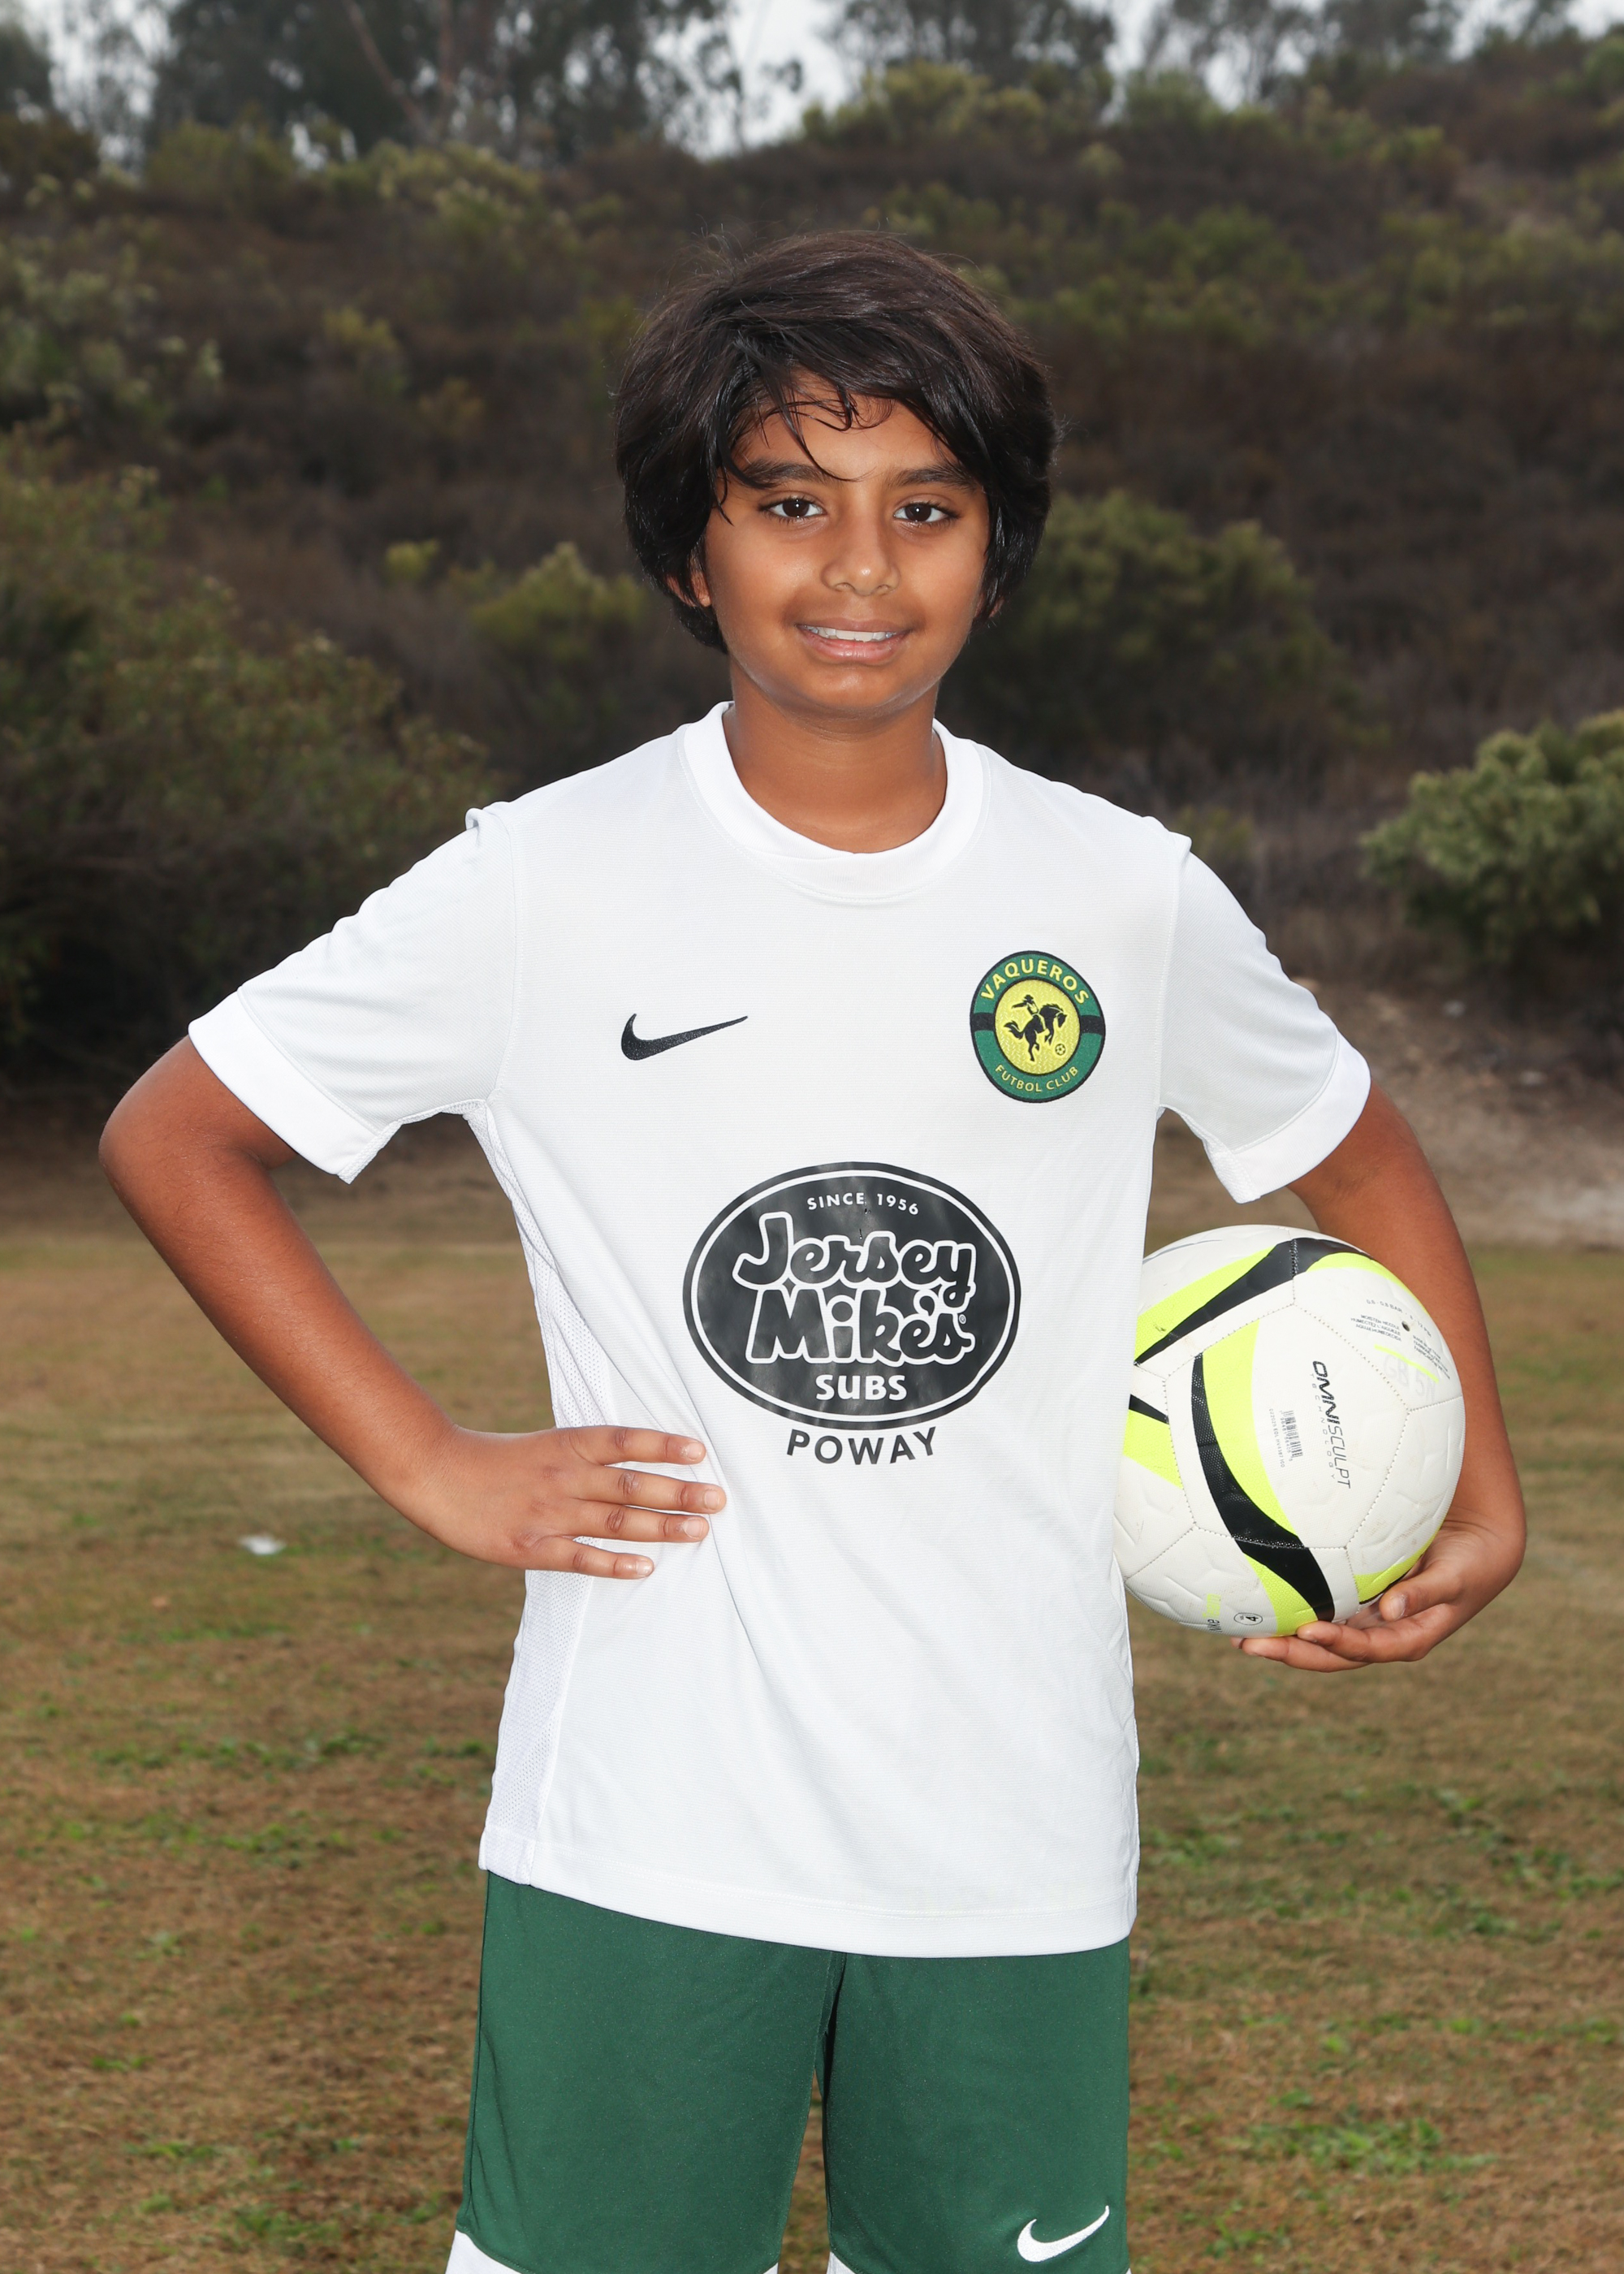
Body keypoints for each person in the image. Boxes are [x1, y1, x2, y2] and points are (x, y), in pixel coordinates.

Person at [101, 233, 1525, 2274]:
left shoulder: (1120, 896)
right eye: (790, 502)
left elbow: (1354, 1148)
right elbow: (180, 1131)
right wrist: (432, 1463)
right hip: (649, 1815)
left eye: (923, 510)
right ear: (691, 548)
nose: (859, 567)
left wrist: (1477, 1486)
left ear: (995, 551)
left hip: (1016, 1822)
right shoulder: (543, 881)